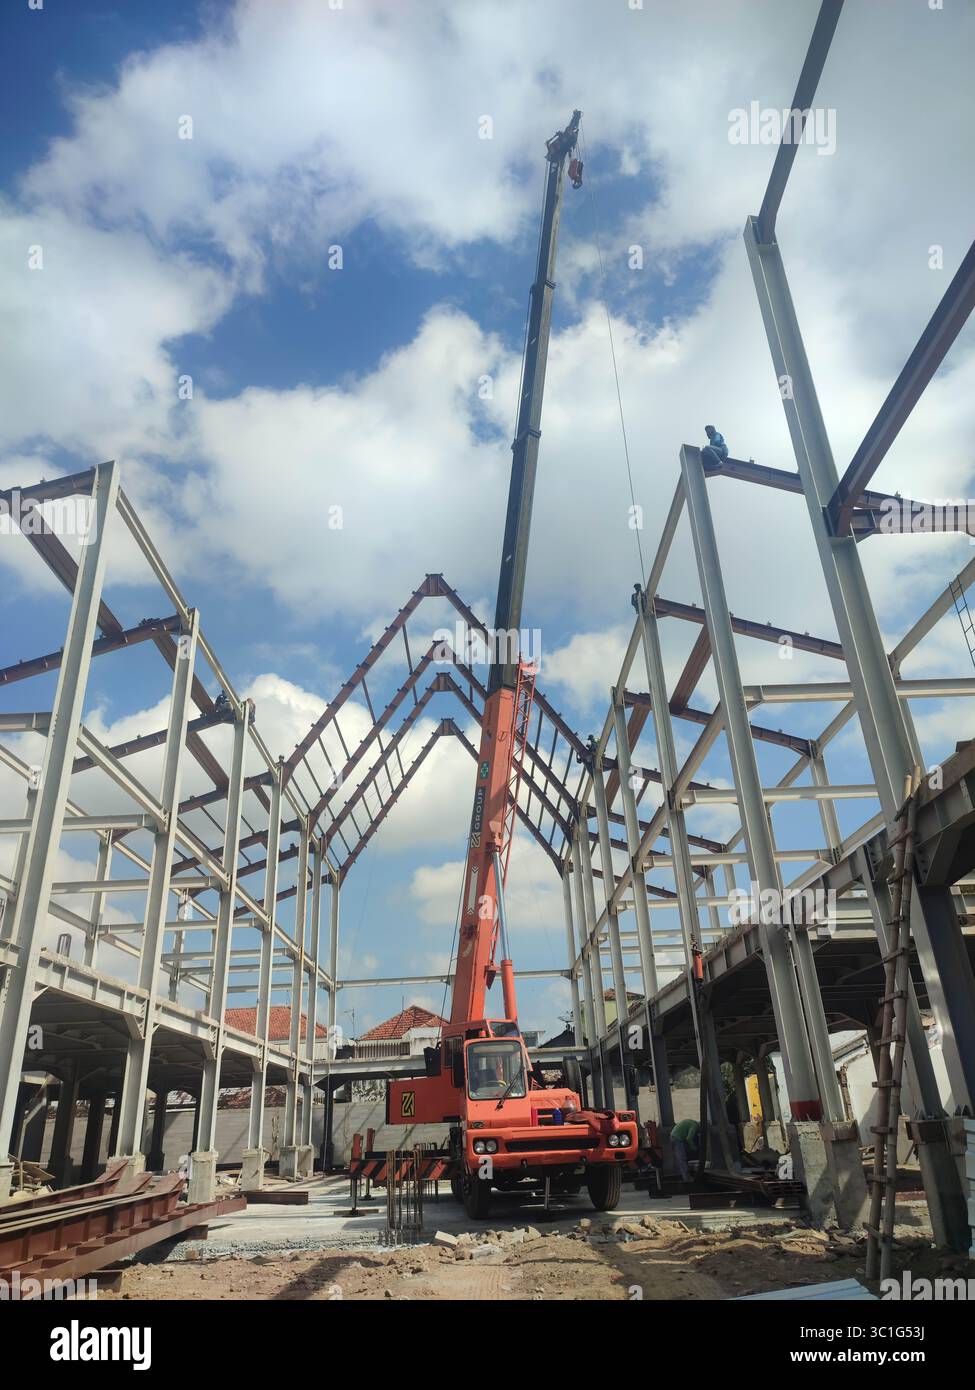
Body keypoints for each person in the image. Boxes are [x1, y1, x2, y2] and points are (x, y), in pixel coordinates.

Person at [670, 1117, 700, 1183]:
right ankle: (687, 1179)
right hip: (677, 1137)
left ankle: (685, 1176)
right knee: (682, 1158)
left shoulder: (693, 1123)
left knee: (682, 1158)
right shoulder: (694, 1126)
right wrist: (694, 1148)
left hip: (676, 1135)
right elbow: (689, 1138)